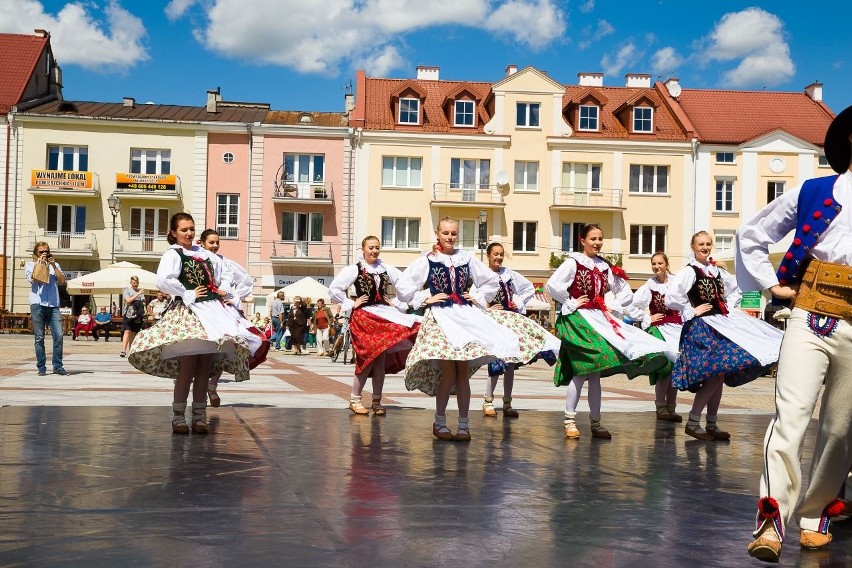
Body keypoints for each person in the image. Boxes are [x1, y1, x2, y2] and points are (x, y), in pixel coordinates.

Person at [738, 106, 852, 562]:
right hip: (811, 313)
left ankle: (815, 514)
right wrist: (770, 285)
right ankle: (770, 520)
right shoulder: (815, 190)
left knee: (842, 429)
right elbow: (752, 234)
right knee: (791, 416)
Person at [127, 212, 263, 434]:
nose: (189, 233)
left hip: (212, 311)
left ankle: (199, 416)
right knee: (188, 366)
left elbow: (227, 273)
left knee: (204, 367)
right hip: (189, 311)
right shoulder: (174, 253)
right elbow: (163, 280)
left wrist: (225, 290)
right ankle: (179, 416)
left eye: (191, 228)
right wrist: (187, 291)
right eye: (183, 230)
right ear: (173, 233)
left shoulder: (205, 254)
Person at [395, 217, 522, 441]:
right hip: (441, 317)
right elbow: (403, 288)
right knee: (449, 372)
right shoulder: (428, 259)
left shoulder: (466, 258)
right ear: (437, 234)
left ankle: (464, 425)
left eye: (453, 233)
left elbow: (490, 282)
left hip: (464, 316)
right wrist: (426, 297)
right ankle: (440, 421)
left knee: (462, 373)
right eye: (446, 233)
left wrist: (476, 296)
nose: (450, 237)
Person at [546, 224, 675, 440]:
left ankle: (595, 422)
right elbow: (553, 285)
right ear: (583, 240)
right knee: (581, 371)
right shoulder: (573, 262)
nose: (597, 242)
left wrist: (614, 306)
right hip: (579, 319)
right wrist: (571, 301)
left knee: (595, 373)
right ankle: (569, 420)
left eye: (600, 238)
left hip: (599, 318)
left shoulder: (605, 266)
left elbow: (623, 290)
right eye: (593, 238)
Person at [665, 231, 783, 443]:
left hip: (720, 324)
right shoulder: (689, 272)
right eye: (700, 244)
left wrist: (727, 305)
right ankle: (693, 422)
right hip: (701, 328)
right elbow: (671, 298)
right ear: (692, 247)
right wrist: (692, 310)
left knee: (719, 374)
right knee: (716, 374)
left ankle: (711, 423)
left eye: (708, 243)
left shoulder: (717, 271)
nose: (705, 247)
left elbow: (735, 289)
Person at [329, 235, 422, 415]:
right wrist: (351, 303)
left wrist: (396, 303)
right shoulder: (355, 269)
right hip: (364, 316)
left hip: (383, 313)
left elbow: (405, 286)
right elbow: (334, 289)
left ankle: (376, 401)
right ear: (363, 249)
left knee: (380, 360)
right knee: (366, 358)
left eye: (377, 247)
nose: (374, 250)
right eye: (371, 247)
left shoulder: (386, 269)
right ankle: (355, 399)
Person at [472, 242, 561, 418]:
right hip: (494, 321)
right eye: (495, 254)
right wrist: (488, 309)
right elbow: (474, 299)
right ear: (488, 256)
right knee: (496, 360)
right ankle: (487, 401)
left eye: (501, 254)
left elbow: (528, 287)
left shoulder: (509, 274)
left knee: (511, 363)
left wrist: (518, 301)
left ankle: (507, 403)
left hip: (510, 319)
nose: (498, 257)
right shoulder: (482, 276)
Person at [198, 228, 269, 407]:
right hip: (199, 308)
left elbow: (246, 280)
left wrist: (232, 296)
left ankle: (212, 387)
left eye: (217, 243)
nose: (214, 246)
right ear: (202, 243)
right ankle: (198, 392)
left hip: (222, 309)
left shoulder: (225, 262)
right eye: (211, 243)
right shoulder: (195, 260)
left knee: (223, 347)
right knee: (200, 349)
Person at [627, 252, 684, 422]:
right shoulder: (649, 286)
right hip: (660, 329)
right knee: (664, 367)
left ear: (666, 264)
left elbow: (687, 303)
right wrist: (647, 318)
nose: (657, 266)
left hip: (677, 330)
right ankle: (661, 407)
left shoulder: (677, 282)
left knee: (675, 369)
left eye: (660, 263)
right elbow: (631, 306)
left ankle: (671, 407)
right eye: (654, 264)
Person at [25, 241, 67, 376]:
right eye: (41, 252)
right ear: (35, 254)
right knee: (39, 337)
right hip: (37, 304)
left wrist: (53, 265)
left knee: (59, 335)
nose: (44, 254)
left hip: (53, 304)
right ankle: (41, 367)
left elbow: (62, 281)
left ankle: (58, 365)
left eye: (46, 251)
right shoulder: (31, 265)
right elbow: (35, 279)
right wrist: (40, 263)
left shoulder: (56, 265)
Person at [120, 276, 145, 357]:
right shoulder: (127, 290)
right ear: (131, 283)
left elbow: (143, 302)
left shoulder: (141, 292)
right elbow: (128, 300)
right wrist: (138, 294)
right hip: (128, 314)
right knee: (127, 331)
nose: (135, 284)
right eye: (134, 282)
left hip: (137, 315)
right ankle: (123, 351)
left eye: (137, 282)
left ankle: (131, 350)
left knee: (133, 333)